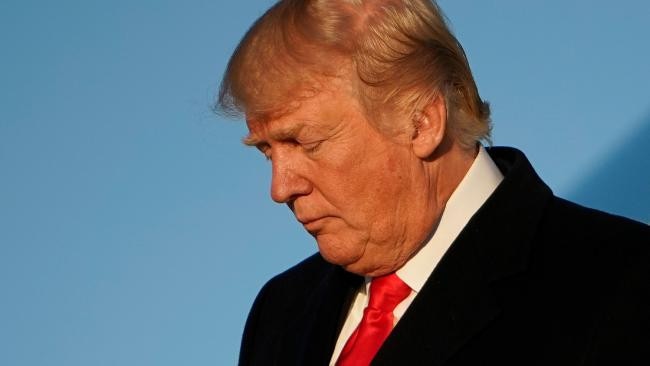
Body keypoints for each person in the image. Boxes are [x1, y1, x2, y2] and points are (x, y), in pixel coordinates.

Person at [217, 0, 650, 364]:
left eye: (306, 142)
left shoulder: (622, 279)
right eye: (267, 151)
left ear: (422, 121)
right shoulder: (279, 312)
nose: (280, 188)